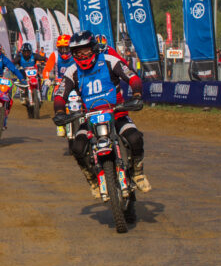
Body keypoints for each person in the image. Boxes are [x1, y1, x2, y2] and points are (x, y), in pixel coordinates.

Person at [52, 31, 150, 202]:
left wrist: (136, 95)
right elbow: (60, 95)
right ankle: (92, 179)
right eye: (77, 52)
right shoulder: (72, 71)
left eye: (85, 51)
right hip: (90, 118)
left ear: (94, 49)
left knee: (135, 138)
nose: (81, 55)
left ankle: (137, 172)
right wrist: (60, 112)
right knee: (77, 148)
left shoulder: (110, 61)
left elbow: (133, 77)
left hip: (117, 113)